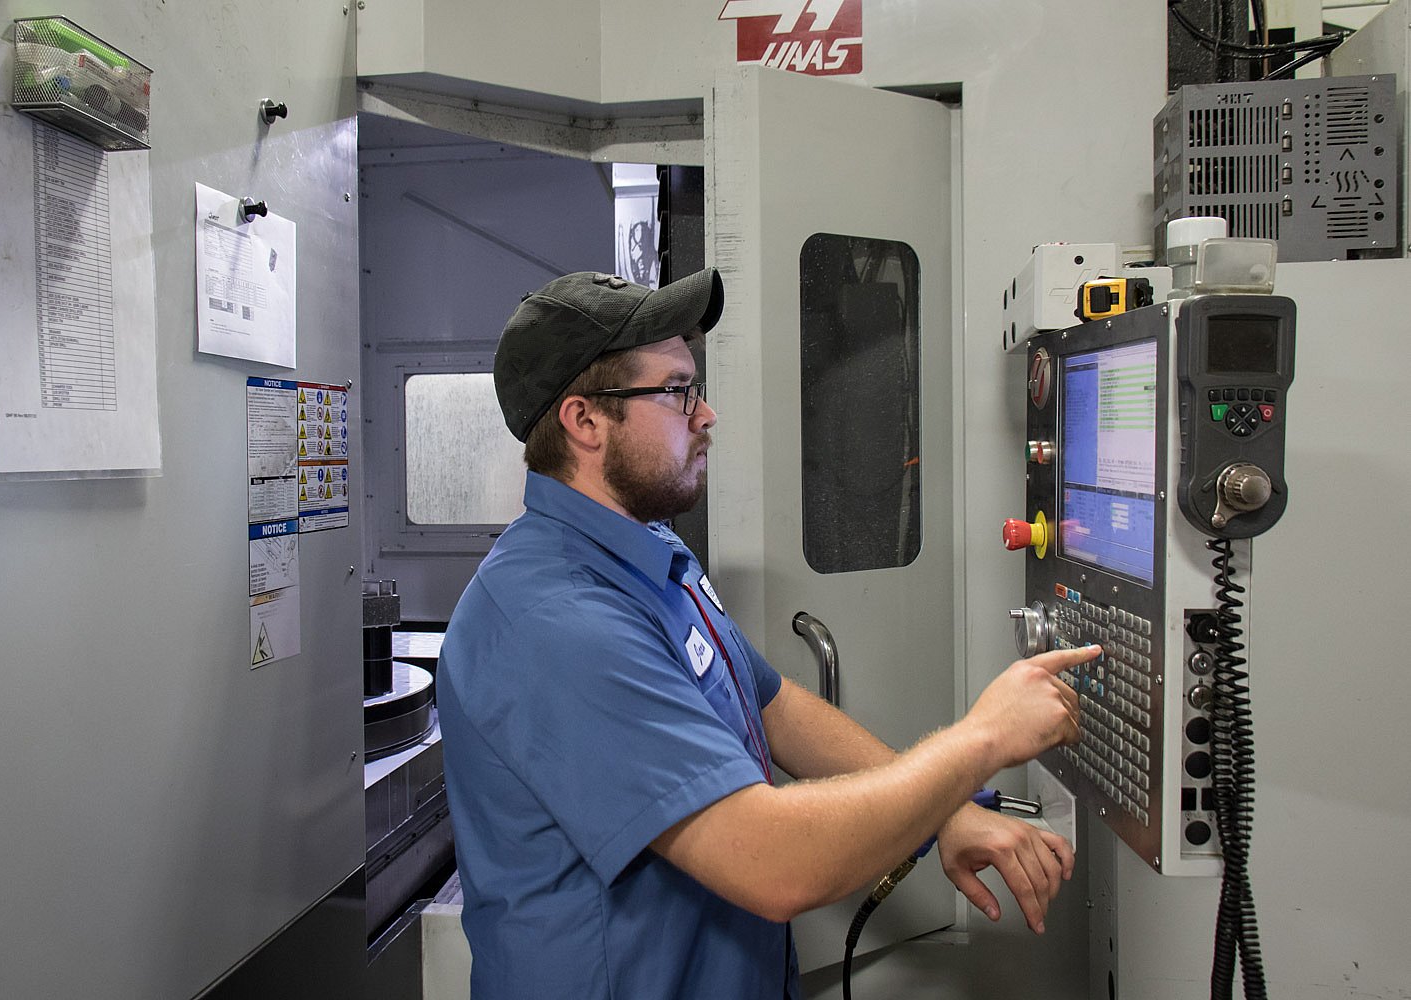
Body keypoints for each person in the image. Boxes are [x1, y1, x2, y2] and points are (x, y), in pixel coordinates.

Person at [437, 267, 1095, 1000]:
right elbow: (773, 864)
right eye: (677, 391)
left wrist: (946, 815)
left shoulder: (648, 552)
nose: (706, 414)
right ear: (585, 421)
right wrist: (981, 742)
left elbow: (772, 704)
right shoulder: (555, 622)